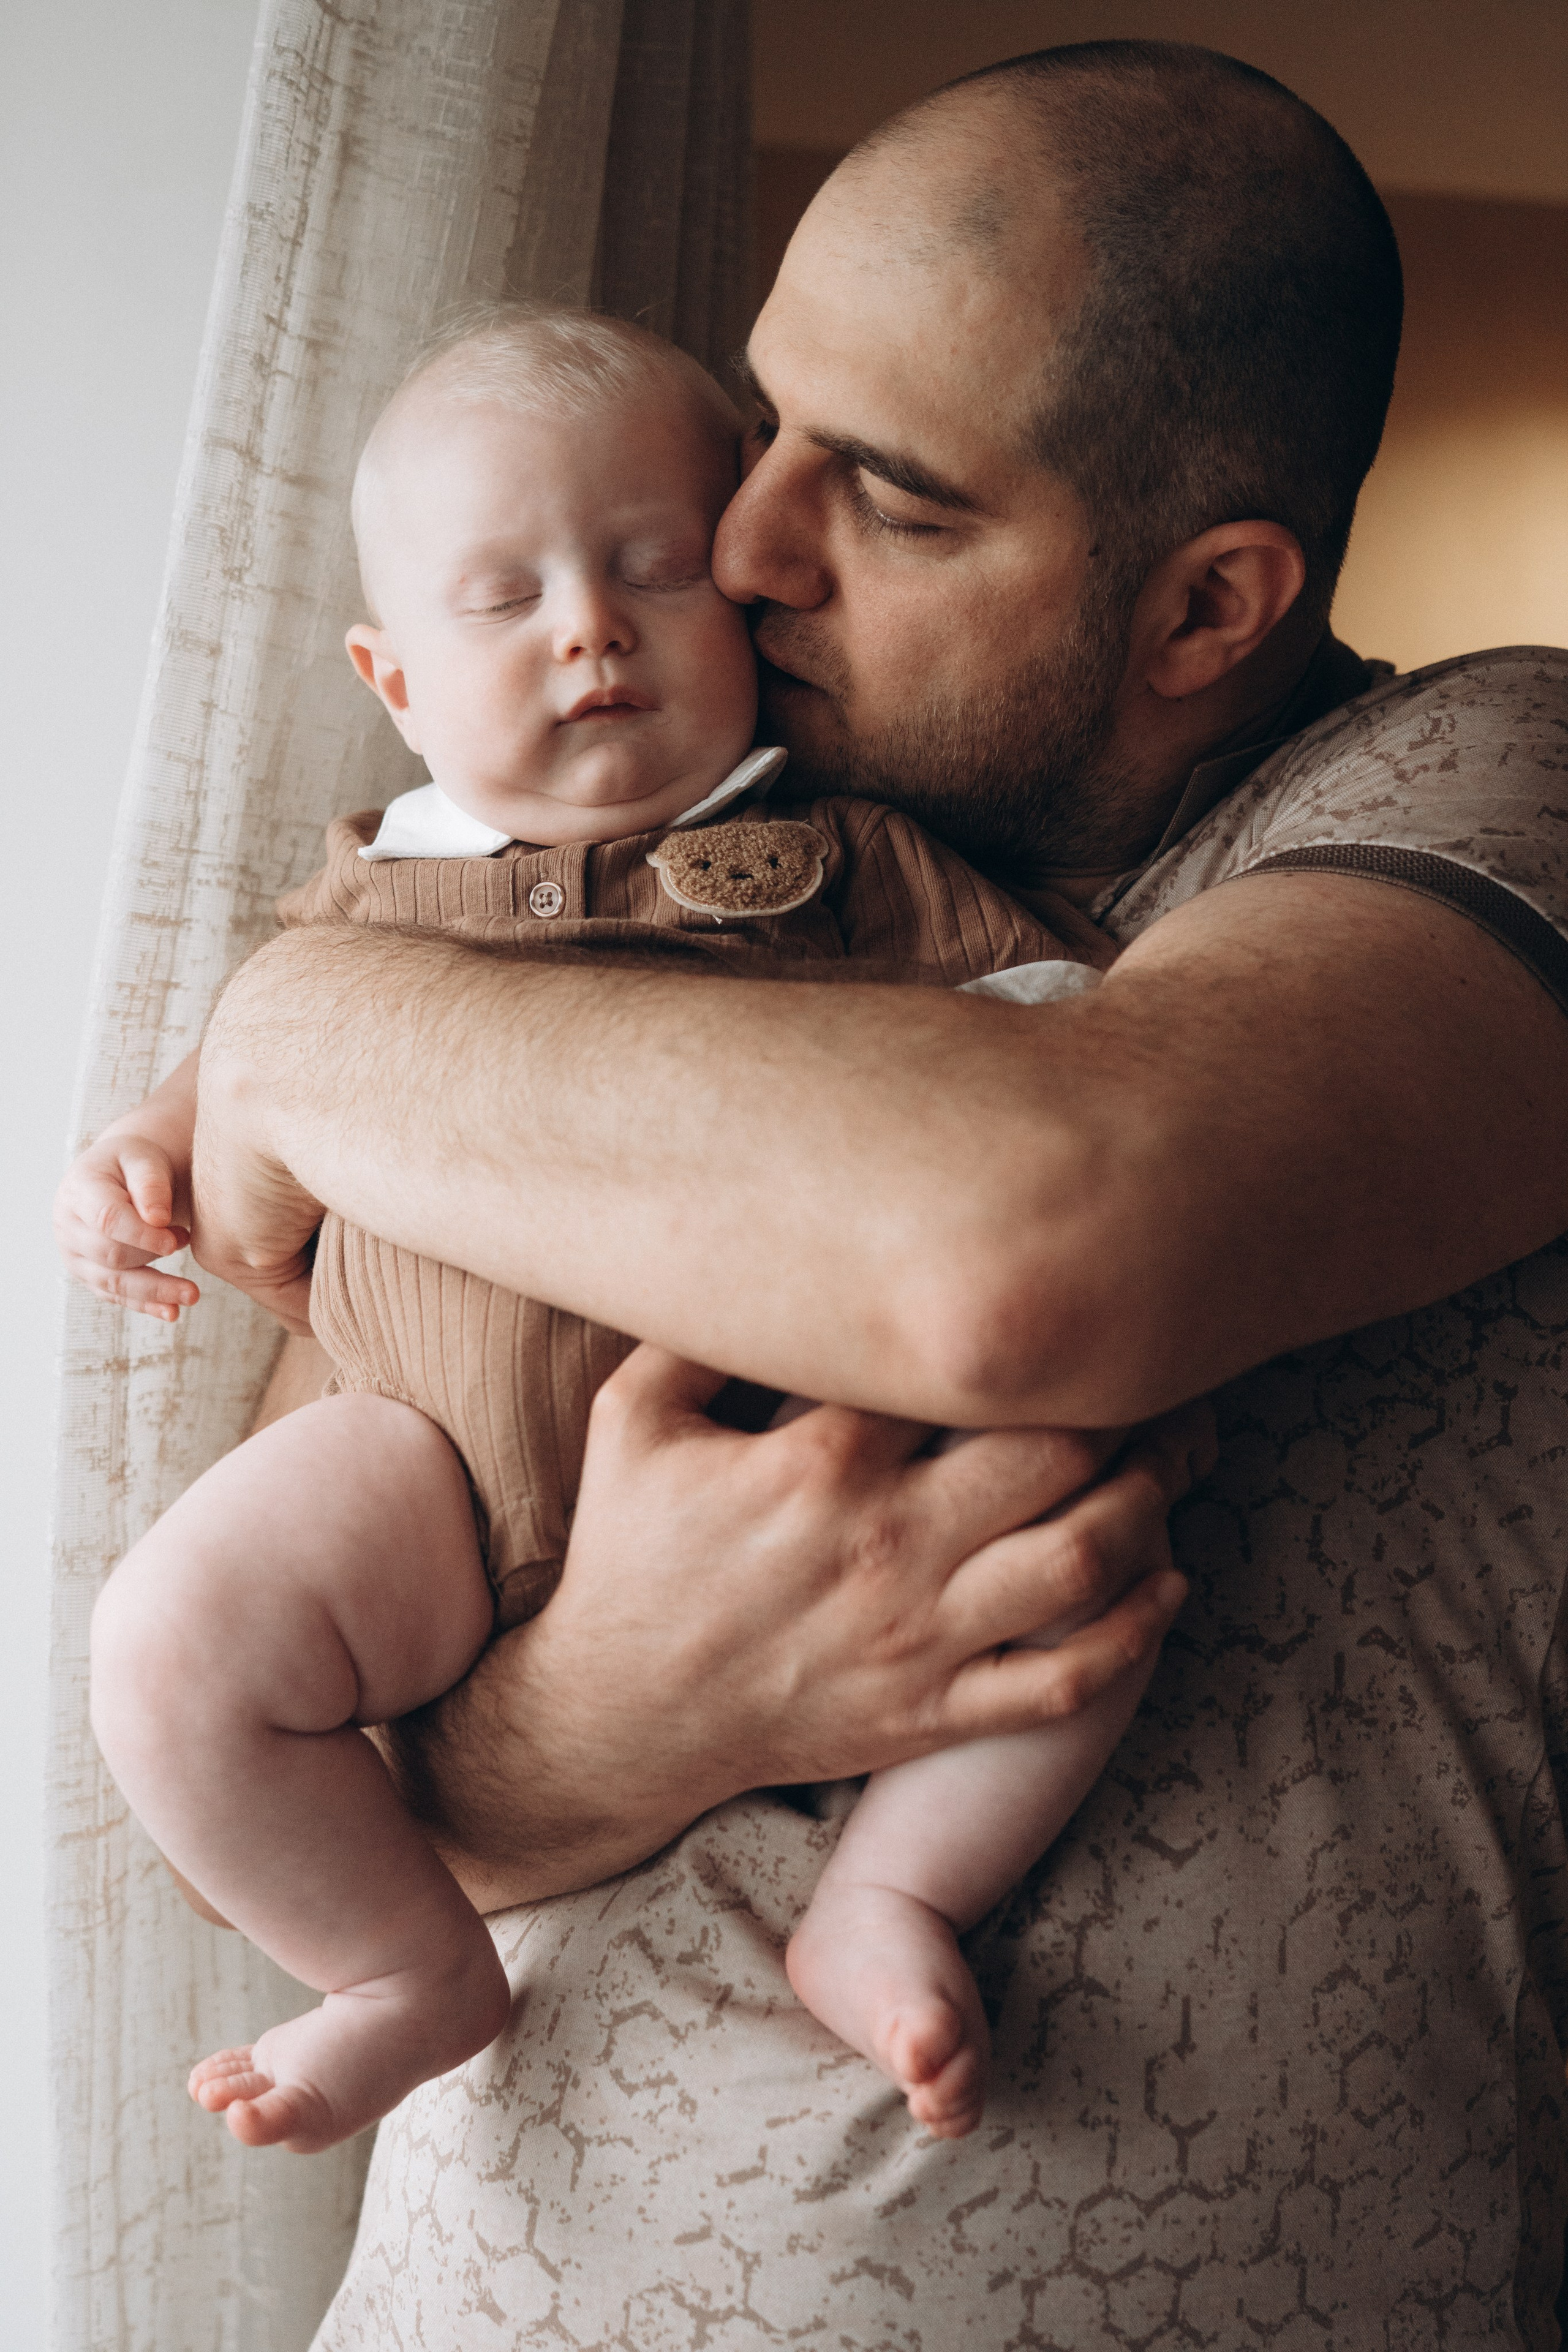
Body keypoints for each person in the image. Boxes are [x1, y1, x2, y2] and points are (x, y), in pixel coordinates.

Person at [143, 38, 1568, 2344]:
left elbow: (1043, 1246)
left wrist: (297, 1027)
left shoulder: (1494, 780)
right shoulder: (569, 878)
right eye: (765, 423)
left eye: (887, 493)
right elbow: (381, 1739)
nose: (736, 544)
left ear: (1208, 607)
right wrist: (645, 1700)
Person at [64, 302, 1169, 2155]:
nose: (590, 626)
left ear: (748, 606)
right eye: (504, 601)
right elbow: (243, 1060)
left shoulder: (849, 857)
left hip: (793, 1451)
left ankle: (891, 1900)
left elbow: (1067, 1039)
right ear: (394, 677)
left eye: (655, 569)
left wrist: (1024, 1030)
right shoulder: (371, 891)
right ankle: (405, 1972)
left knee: (1078, 1580)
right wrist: (145, 1150)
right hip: (423, 1466)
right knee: (163, 1649)